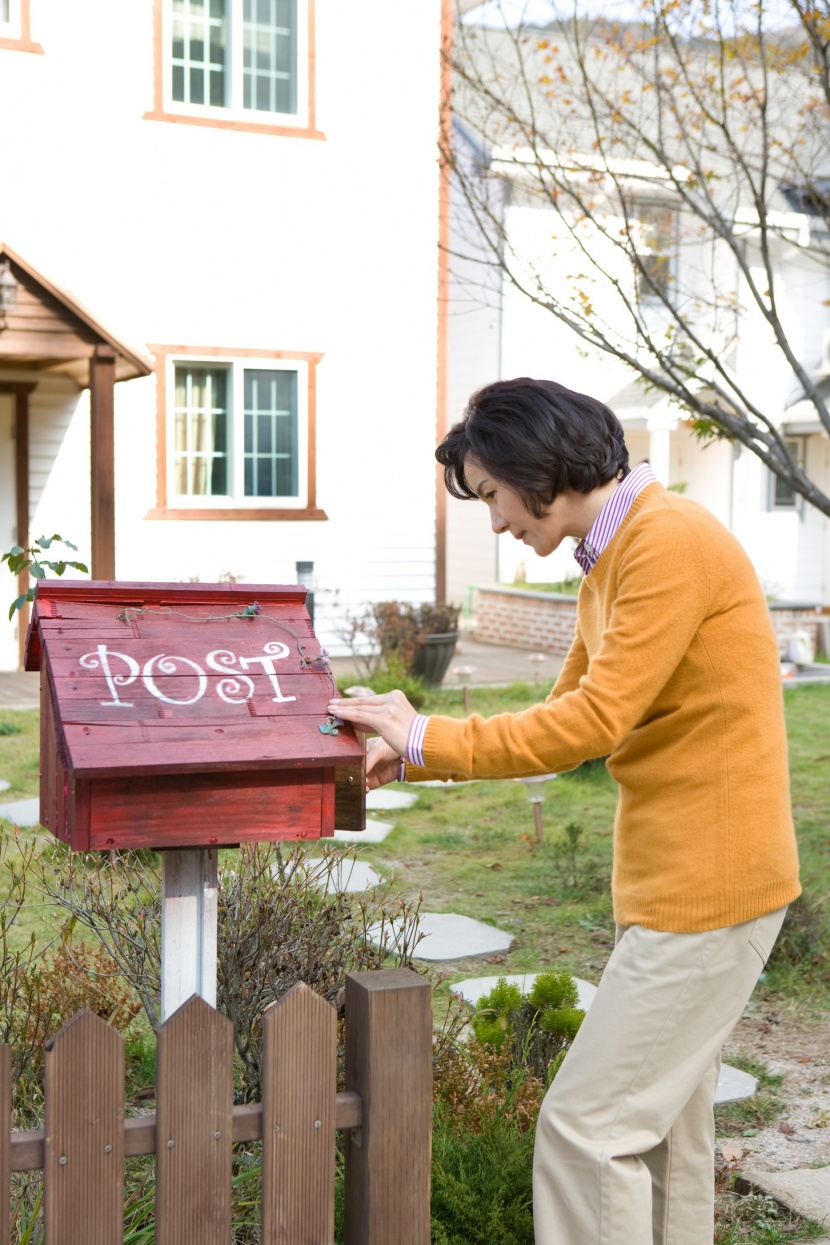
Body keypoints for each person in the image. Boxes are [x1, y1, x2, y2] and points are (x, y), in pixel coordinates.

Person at [328, 376, 801, 1245]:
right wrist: (413, 751)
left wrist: (426, 731)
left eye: (494, 496)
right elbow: (565, 721)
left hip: (709, 891)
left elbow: (590, 721)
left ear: (536, 469)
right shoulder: (612, 558)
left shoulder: (665, 545)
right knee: (662, 1136)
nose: (498, 521)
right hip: (685, 887)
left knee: (587, 1130)